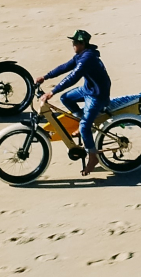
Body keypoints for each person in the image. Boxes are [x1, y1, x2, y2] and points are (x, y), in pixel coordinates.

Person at [35, 30, 112, 176]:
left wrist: (52, 92)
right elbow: (65, 67)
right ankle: (85, 122)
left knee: (84, 127)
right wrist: (45, 77)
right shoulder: (81, 55)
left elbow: (73, 76)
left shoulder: (87, 58)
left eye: (75, 42)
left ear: (82, 44)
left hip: (97, 95)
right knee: (66, 98)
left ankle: (93, 157)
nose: (73, 45)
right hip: (88, 89)